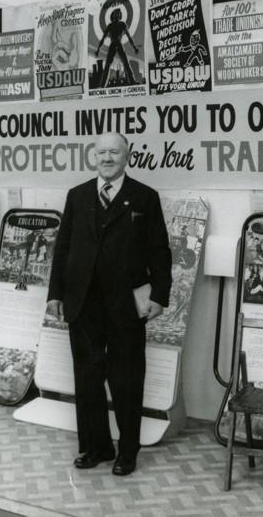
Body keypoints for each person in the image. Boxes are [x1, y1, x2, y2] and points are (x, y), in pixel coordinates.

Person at [46, 132, 171, 476]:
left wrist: (160, 295)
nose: (107, 158)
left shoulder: (145, 197)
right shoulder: (77, 196)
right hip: (82, 302)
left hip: (126, 304)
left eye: (114, 152)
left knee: (126, 380)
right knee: (87, 378)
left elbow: (160, 251)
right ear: (93, 157)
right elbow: (62, 250)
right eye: (101, 152)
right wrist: (55, 293)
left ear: (127, 155)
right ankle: (95, 447)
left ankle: (127, 451)